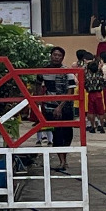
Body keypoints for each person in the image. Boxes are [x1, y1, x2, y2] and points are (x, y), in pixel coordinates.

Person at [39, 45, 78, 173]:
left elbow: (71, 90)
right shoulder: (44, 70)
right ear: (51, 55)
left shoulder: (67, 72)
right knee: (57, 134)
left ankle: (64, 158)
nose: (56, 57)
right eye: (54, 54)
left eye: (59, 55)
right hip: (50, 107)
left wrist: (60, 106)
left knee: (68, 133)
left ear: (62, 58)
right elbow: (37, 85)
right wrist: (37, 101)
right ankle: (62, 161)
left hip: (66, 107)